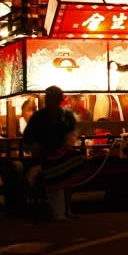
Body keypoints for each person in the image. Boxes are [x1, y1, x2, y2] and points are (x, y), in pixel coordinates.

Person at [23, 86, 83, 220]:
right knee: (53, 183)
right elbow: (28, 137)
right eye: (51, 98)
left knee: (68, 181)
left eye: (55, 98)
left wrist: (68, 141)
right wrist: (36, 147)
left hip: (62, 152)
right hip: (46, 154)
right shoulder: (39, 116)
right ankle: (56, 211)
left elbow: (71, 131)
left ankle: (67, 210)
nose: (52, 101)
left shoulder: (66, 115)